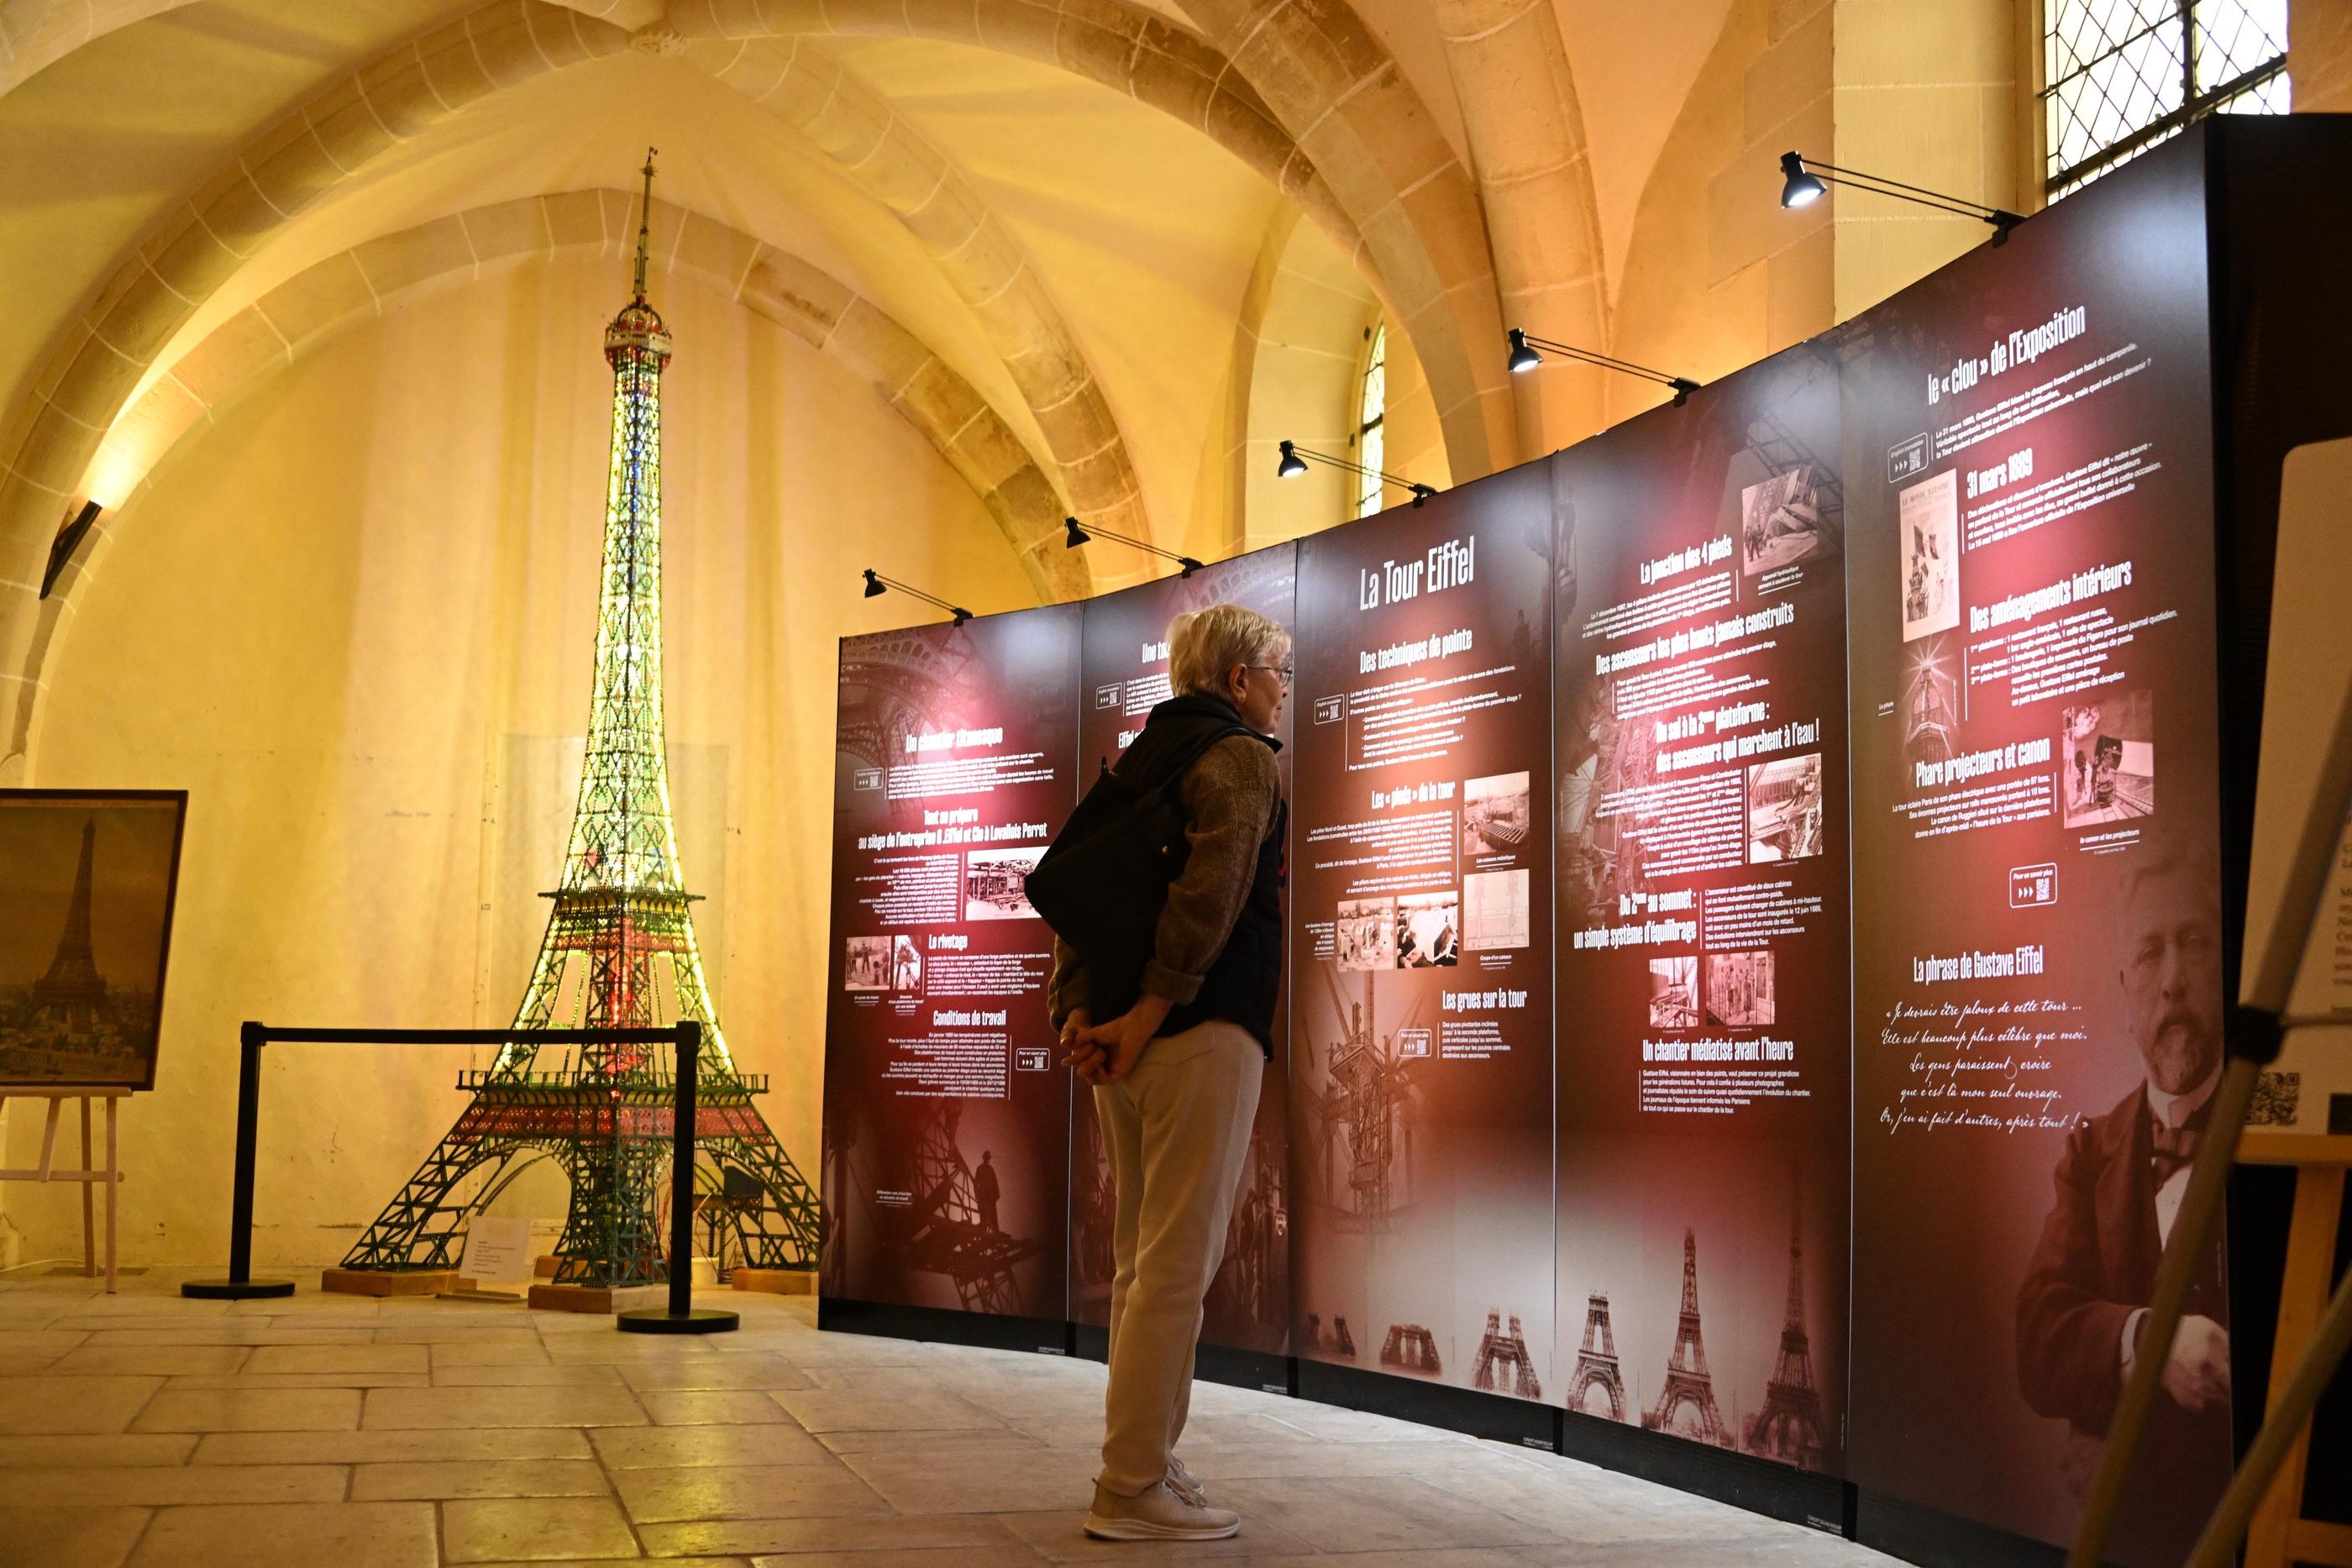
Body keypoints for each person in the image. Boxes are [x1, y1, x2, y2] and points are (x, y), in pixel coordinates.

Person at [1050, 603, 1289, 1544]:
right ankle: (1130, 1483)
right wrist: (1148, 1016)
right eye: (1276, 670)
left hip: (1126, 1044)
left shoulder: (1143, 754)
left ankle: (1146, 1454)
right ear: (1236, 678)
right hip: (1194, 1033)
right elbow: (1213, 901)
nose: (1281, 687)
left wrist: (1080, 1014)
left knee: (1142, 1265)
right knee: (1175, 1268)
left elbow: (1074, 892)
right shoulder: (1241, 758)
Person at [2015, 833, 2232, 1565]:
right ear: (2124, 993)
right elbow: (2039, 1335)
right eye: (2149, 953)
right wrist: (2147, 1341)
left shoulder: (2275, 1132)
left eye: (2193, 942)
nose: (2171, 980)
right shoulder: (2092, 1147)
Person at [972, 1150, 1000, 1235]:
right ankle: (985, 1230)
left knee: (992, 1214)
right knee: (984, 1213)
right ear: (984, 1158)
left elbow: (995, 1182)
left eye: (988, 1158)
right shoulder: (980, 1169)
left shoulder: (990, 1169)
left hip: (990, 1196)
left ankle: (996, 1231)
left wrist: (996, 1194)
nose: (987, 1159)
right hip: (984, 1195)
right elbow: (976, 1182)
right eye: (986, 1158)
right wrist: (977, 1193)